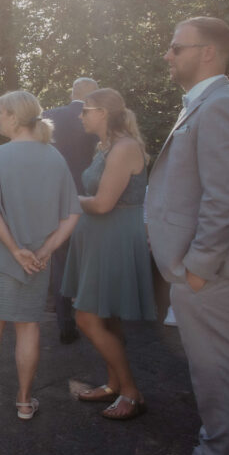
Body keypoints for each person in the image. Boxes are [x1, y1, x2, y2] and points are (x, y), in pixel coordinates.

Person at [146, 17, 229, 455]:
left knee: (220, 380)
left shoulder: (220, 105)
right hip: (205, 270)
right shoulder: (213, 102)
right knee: (211, 377)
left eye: (177, 47)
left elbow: (225, 200)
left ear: (209, 52)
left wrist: (196, 268)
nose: (168, 55)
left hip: (209, 273)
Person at [0, 91, 80, 420]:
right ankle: (23, 401)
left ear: (14, 117)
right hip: (36, 261)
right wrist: (43, 251)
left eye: (0, 113)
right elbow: (72, 214)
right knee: (28, 328)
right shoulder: (55, 158)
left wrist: (15, 250)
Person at [61, 88, 155, 420]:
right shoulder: (106, 146)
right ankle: (114, 385)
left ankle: (131, 392)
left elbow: (102, 203)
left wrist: (66, 200)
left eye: (85, 110)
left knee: (86, 317)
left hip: (114, 237)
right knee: (107, 314)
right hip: (99, 237)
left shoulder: (125, 147)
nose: (80, 115)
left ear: (102, 112)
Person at [43, 77, 99, 344]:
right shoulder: (97, 118)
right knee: (92, 259)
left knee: (62, 259)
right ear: (93, 94)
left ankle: (65, 323)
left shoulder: (50, 115)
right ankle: (95, 321)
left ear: (72, 92)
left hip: (56, 196)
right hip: (90, 195)